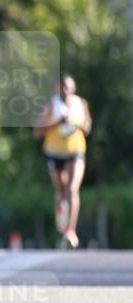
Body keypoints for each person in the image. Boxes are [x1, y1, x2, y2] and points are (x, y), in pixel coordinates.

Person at [34, 74, 92, 249]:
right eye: (60, 87)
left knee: (72, 188)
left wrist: (77, 124)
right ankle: (61, 212)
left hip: (76, 152)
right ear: (55, 89)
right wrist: (58, 123)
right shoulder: (51, 106)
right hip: (55, 153)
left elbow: (88, 127)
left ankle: (70, 231)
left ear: (73, 88)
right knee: (61, 190)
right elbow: (37, 132)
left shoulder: (81, 104)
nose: (64, 91)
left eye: (67, 87)